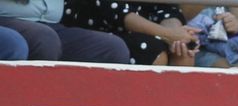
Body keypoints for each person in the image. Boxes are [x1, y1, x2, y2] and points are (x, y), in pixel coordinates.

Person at [60, 0, 195, 65]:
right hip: (96, 32)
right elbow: (117, 12)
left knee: (185, 49)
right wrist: (169, 34)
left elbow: (167, 9)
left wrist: (178, 34)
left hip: (141, 32)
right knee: (152, 50)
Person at [0, 0, 131, 61]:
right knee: (45, 39)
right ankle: (37, 101)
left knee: (113, 48)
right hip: (7, 20)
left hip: (52, 25)